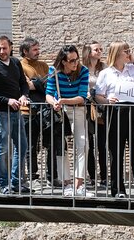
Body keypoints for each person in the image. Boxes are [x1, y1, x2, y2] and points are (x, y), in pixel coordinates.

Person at [95, 41, 134, 198]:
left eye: (129, 50)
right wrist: (107, 101)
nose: (128, 52)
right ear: (116, 53)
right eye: (125, 51)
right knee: (116, 151)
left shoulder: (133, 69)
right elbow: (98, 96)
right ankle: (118, 190)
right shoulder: (105, 73)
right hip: (116, 112)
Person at [0, 35, 31, 194]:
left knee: (22, 147)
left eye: (4, 48)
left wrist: (23, 95)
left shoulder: (16, 62)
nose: (2, 51)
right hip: (2, 113)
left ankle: (16, 182)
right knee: (2, 150)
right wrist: (7, 100)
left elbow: (24, 84)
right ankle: (4, 184)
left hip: (16, 113)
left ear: (10, 47)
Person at [46, 45, 90, 197]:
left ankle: (79, 185)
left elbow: (82, 97)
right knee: (61, 147)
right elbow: (49, 94)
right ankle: (67, 183)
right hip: (61, 112)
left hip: (77, 109)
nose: (75, 63)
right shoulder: (54, 72)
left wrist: (63, 100)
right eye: (71, 60)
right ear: (63, 61)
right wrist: (54, 103)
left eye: (76, 59)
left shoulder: (83, 71)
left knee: (83, 145)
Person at [18, 37, 53, 185]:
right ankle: (33, 175)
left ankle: (51, 176)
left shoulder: (44, 65)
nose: (38, 52)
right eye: (35, 50)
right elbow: (26, 86)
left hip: (44, 110)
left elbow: (49, 84)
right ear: (25, 51)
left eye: (38, 49)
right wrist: (39, 83)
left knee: (48, 144)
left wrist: (36, 83)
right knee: (30, 145)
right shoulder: (20, 66)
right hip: (27, 111)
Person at [82, 42, 107, 188]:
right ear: (88, 52)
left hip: (101, 109)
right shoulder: (82, 69)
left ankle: (104, 178)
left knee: (103, 144)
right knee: (89, 143)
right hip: (87, 108)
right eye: (96, 49)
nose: (99, 51)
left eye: (100, 49)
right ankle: (92, 177)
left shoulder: (103, 68)